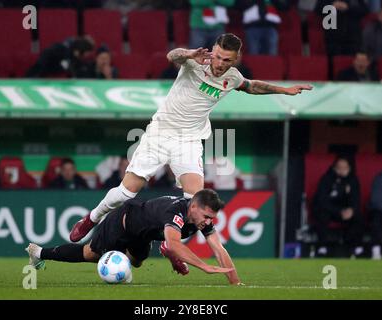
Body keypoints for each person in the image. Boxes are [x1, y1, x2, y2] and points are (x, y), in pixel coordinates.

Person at [69, 33, 312, 243]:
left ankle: (170, 242)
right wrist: (187, 54)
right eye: (217, 56)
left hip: (189, 141)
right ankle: (91, 219)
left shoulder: (233, 77)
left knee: (196, 202)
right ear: (212, 51)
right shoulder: (196, 62)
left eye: (226, 60)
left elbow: (251, 86)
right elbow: (171, 57)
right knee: (127, 192)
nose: (218, 63)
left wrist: (285, 90)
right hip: (161, 133)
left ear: (235, 59)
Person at [26, 189, 243, 285]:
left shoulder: (200, 218)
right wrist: (204, 266)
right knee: (89, 253)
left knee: (138, 262)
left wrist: (235, 283)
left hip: (142, 236)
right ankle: (38, 252)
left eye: (211, 218)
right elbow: (177, 243)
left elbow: (218, 249)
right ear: (194, 206)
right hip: (122, 223)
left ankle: (161, 253)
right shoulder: (175, 212)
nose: (208, 222)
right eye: (206, 216)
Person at [312, 156, 364, 257]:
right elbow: (322, 201)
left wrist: (351, 210)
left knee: (358, 216)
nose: (342, 170)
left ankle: (354, 246)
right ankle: (323, 247)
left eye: (345, 168)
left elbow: (356, 199)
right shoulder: (326, 179)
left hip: (346, 211)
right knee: (322, 215)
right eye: (339, 167)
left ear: (349, 168)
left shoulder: (353, 180)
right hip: (330, 210)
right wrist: (338, 211)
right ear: (334, 168)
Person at [26, 36, 95, 78]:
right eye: (87, 53)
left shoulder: (77, 61)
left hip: (54, 82)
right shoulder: (59, 49)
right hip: (38, 77)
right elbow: (41, 62)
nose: (87, 56)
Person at [369, 171, 382, 259]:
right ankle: (376, 251)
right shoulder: (379, 179)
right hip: (380, 209)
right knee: (376, 217)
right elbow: (376, 200)